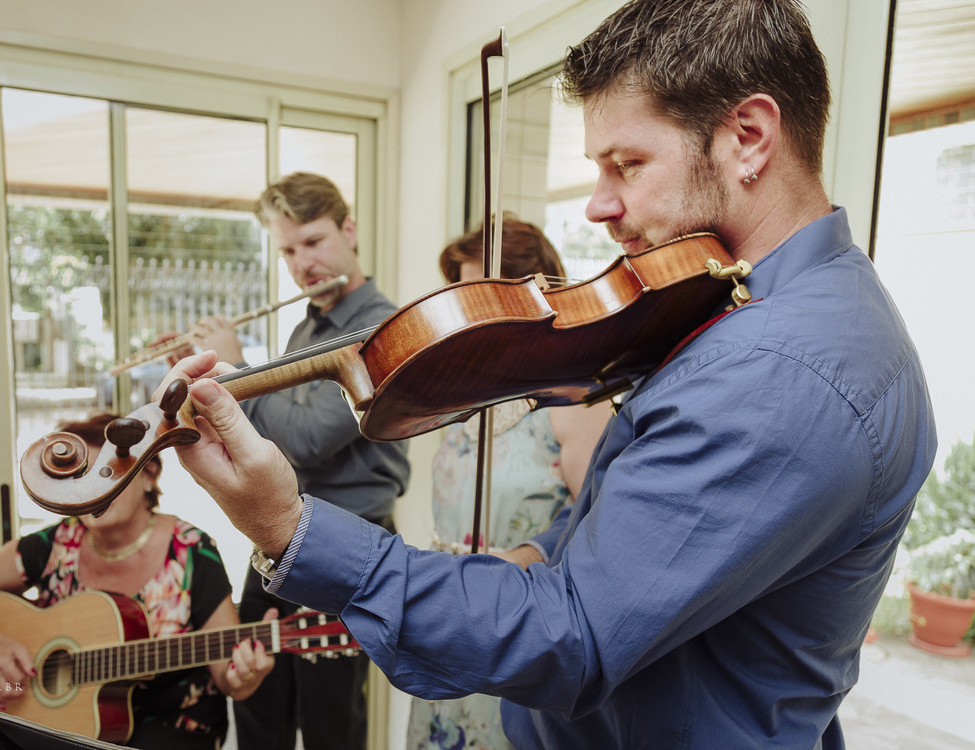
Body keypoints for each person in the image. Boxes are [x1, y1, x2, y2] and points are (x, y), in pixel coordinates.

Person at [159, 1, 937, 747]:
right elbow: (606, 537)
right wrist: (511, 565)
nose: (599, 205)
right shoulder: (773, 306)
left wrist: (288, 529)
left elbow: (575, 635)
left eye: (627, 164)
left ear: (748, 137)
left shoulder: (774, 369)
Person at [183, 171, 411, 750]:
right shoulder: (306, 326)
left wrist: (238, 373)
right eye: (287, 249)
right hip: (284, 537)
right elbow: (275, 445)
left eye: (312, 241)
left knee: (332, 722)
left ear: (349, 230)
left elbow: (307, 437)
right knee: (258, 707)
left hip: (349, 542)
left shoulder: (381, 328)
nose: (301, 263)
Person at [0, 412, 274, 750]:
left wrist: (244, 676)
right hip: (60, 734)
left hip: (171, 732)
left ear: (149, 474)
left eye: (106, 472)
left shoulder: (192, 550)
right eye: (78, 478)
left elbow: (228, 676)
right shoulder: (55, 543)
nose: (91, 491)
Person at [405, 218, 613, 750]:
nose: (467, 321)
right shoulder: (464, 395)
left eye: (479, 301)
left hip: (515, 622)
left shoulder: (573, 400)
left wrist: (525, 556)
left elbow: (598, 527)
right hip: (449, 614)